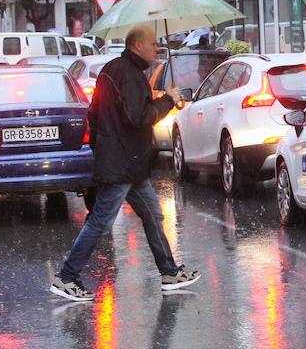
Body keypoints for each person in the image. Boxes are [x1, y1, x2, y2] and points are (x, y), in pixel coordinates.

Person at [50, 25, 200, 302]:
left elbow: (96, 115)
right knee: (100, 222)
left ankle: (169, 272)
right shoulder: (129, 76)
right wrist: (168, 99)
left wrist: (103, 148)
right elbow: (139, 117)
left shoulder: (113, 70)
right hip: (123, 162)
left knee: (153, 215)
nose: (157, 49)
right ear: (137, 46)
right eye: (153, 44)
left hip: (126, 161)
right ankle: (66, 277)